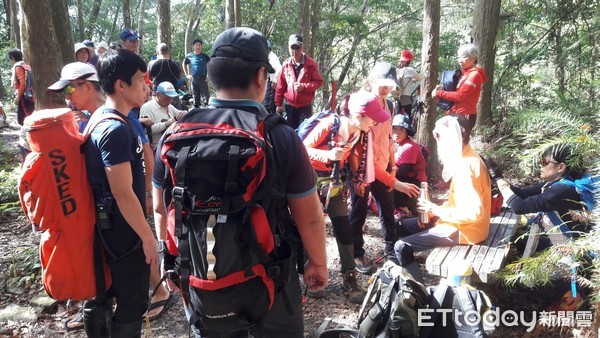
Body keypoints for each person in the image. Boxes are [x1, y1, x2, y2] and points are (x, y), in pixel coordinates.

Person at [152, 27, 328, 337]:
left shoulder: (175, 134)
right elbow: (310, 217)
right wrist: (318, 262)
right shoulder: (280, 136)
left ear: (210, 76)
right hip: (270, 275)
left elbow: (159, 207)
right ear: (261, 76)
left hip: (198, 275)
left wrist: (169, 261)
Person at [82, 49, 157, 337]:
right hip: (122, 233)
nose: (146, 86)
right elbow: (123, 192)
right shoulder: (114, 129)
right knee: (132, 301)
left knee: (105, 295)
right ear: (120, 85)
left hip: (109, 227)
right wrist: (147, 237)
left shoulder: (102, 117)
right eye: (140, 79)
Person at [303, 89, 391, 303]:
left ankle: (349, 278)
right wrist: (327, 154)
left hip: (335, 185)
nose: (376, 123)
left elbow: (355, 160)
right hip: (310, 183)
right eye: (373, 118)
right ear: (358, 116)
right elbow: (302, 149)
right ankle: (312, 278)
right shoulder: (329, 125)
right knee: (311, 231)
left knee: (343, 229)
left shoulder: (359, 133)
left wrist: (357, 182)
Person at [393, 115, 491, 283]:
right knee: (401, 225)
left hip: (466, 232)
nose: (439, 145)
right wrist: (433, 213)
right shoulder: (468, 157)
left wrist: (434, 210)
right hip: (461, 224)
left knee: (401, 247)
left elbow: (473, 213)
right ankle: (405, 270)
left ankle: (419, 294)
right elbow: (459, 203)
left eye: (440, 139)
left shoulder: (467, 167)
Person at [348, 63, 419, 275]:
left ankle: (391, 251)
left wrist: (393, 165)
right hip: (361, 168)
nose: (385, 90)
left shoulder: (388, 105)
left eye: (389, 87)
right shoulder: (361, 104)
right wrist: (393, 180)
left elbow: (389, 138)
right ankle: (355, 253)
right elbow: (363, 151)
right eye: (382, 85)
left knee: (387, 209)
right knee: (358, 210)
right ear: (371, 80)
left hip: (382, 167)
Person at [493, 144, 589, 253]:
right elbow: (523, 194)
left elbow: (519, 206)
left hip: (574, 251)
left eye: (544, 162)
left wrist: (498, 179)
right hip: (564, 239)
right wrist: (496, 179)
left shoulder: (561, 191)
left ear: (561, 167)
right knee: (519, 242)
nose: (541, 166)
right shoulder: (558, 183)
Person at [432, 43, 487, 129]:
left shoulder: (475, 75)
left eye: (464, 57)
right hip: (454, 114)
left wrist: (439, 93)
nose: (460, 60)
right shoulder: (462, 74)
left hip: (465, 115)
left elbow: (460, 96)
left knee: (460, 142)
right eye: (459, 57)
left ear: (474, 58)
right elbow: (452, 92)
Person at [274, 33, 324, 129]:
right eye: (292, 48)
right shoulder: (286, 64)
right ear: (289, 48)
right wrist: (278, 104)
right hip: (290, 106)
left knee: (304, 132)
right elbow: (281, 85)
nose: (294, 51)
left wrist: (304, 86)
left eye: (297, 48)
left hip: (305, 106)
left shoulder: (311, 64)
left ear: (302, 48)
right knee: (290, 132)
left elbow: (318, 82)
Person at [391, 114, 427, 218]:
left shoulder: (409, 147)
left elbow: (402, 172)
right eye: (395, 128)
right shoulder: (395, 144)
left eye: (401, 129)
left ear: (406, 132)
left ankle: (403, 209)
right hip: (403, 177)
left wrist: (387, 172)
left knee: (391, 181)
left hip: (414, 182)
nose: (397, 132)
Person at [140, 81, 186, 149]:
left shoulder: (169, 106)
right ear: (158, 94)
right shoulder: (147, 107)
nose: (169, 101)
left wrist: (183, 113)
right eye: (167, 98)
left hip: (171, 143)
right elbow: (145, 131)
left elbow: (183, 113)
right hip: (157, 147)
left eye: (171, 98)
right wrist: (165, 124)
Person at [149, 43, 183, 109]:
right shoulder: (176, 64)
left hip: (157, 97)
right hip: (173, 96)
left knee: (157, 118)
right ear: (169, 53)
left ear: (157, 53)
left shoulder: (152, 64)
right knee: (176, 117)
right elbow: (179, 78)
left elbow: (150, 78)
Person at [8, 48, 34, 126]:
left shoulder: (18, 67)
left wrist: (18, 97)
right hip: (30, 94)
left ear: (12, 58)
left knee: (23, 118)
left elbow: (23, 83)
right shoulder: (26, 65)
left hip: (24, 96)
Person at [393, 49, 421, 119]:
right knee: (407, 116)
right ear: (409, 61)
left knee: (397, 115)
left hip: (398, 95)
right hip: (406, 96)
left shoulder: (397, 70)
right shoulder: (410, 70)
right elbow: (419, 78)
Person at [182, 38, 210, 107]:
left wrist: (208, 76)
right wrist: (187, 75)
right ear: (193, 46)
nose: (198, 46)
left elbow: (211, 65)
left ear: (201, 46)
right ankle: (197, 112)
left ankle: (208, 111)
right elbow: (184, 63)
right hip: (194, 79)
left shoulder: (204, 56)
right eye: (196, 45)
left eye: (199, 45)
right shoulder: (190, 56)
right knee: (195, 97)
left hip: (203, 79)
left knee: (206, 97)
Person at [263, 40, 282, 114]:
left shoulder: (273, 57)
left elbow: (279, 69)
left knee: (268, 105)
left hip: (271, 83)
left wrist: (275, 80)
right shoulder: (268, 57)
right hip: (268, 82)